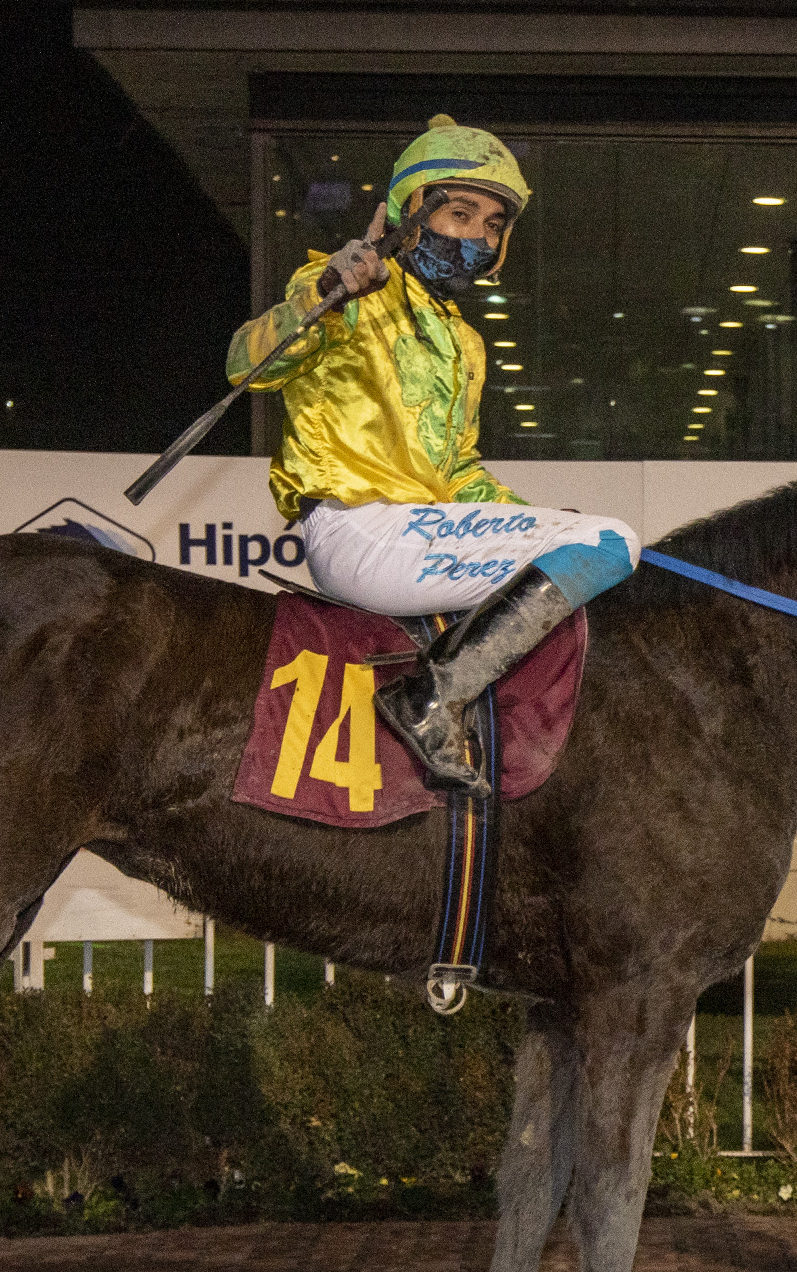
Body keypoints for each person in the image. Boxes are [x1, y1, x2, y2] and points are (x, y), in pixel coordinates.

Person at [226, 114, 641, 795]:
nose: (478, 236)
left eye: (494, 224)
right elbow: (245, 364)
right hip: (357, 532)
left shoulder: (467, 343)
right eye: (460, 213)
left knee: (587, 543)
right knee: (612, 540)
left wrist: (536, 522)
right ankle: (431, 698)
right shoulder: (349, 289)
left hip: (419, 531)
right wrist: (323, 295)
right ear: (410, 213)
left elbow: (459, 474)